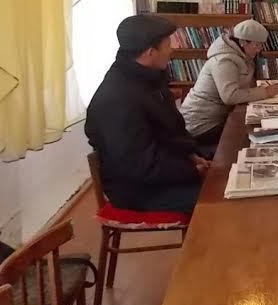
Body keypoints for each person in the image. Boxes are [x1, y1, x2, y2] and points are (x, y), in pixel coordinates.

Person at [85, 15, 207, 214]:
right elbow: (138, 165)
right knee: (218, 200)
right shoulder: (117, 99)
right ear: (150, 52)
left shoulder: (149, 79)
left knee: (225, 180)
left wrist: (191, 156)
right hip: (140, 190)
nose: (172, 50)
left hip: (164, 174)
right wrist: (190, 170)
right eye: (168, 45)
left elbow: (171, 130)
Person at [180, 19, 278, 148]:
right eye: (256, 45)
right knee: (248, 136)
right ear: (242, 42)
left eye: (261, 45)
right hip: (200, 124)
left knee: (256, 129)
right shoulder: (224, 60)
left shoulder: (241, 55)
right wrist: (265, 92)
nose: (259, 50)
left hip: (216, 118)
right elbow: (230, 96)